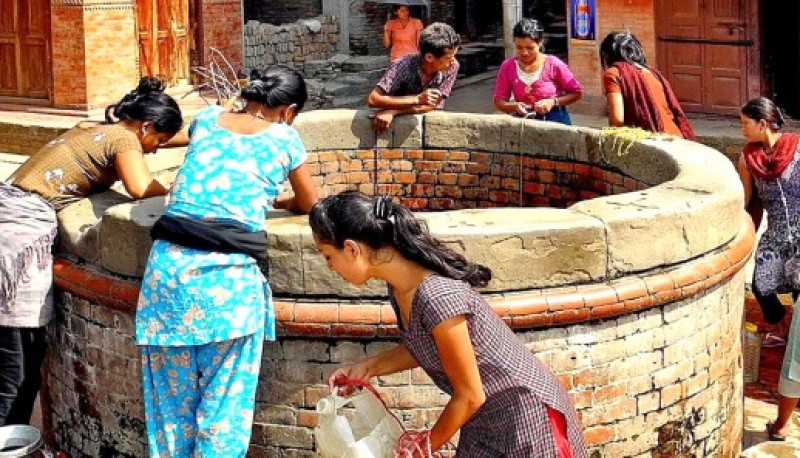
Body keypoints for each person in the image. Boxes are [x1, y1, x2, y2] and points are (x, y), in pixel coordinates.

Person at [310, 191, 588, 457]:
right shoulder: (400, 289)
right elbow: (427, 345)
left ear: (351, 248)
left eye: (328, 257)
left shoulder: (437, 296)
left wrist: (423, 447)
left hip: (529, 420)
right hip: (486, 422)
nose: (330, 267)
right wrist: (368, 368)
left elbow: (469, 395)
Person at [135, 65, 318, 457]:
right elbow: (310, 204)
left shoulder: (205, 119)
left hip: (167, 282)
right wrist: (282, 201)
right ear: (287, 111)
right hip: (229, 292)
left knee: (170, 414)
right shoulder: (286, 138)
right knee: (223, 416)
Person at [0, 77, 184, 427]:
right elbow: (141, 188)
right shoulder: (123, 138)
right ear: (145, 126)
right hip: (20, 235)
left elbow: (167, 139)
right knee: (18, 362)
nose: (156, 150)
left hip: (7, 210)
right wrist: (179, 188)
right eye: (158, 141)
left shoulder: (93, 127)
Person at [736, 97, 800, 441]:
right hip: (775, 234)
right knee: (761, 284)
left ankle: (793, 330)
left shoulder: (797, 147)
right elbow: (747, 199)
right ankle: (783, 322)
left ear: (763, 122)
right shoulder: (749, 158)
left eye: (745, 122)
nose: (742, 129)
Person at [599, 31, 695, 139]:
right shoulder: (653, 73)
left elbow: (617, 121)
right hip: (677, 137)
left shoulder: (614, 73)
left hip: (655, 141)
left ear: (607, 55)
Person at [367, 22, 460, 133]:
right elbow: (373, 99)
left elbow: (431, 105)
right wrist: (417, 99)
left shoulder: (452, 67)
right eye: (449, 57)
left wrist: (394, 111)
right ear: (429, 57)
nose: (452, 61)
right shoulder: (403, 65)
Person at [493, 18, 583, 125]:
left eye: (530, 48)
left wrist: (553, 102)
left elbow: (576, 93)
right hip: (524, 125)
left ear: (540, 43)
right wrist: (514, 106)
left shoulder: (554, 64)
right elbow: (499, 100)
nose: (524, 52)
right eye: (519, 47)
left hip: (555, 125)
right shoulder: (508, 66)